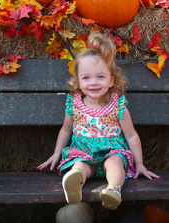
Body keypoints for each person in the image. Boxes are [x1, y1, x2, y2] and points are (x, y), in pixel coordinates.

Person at [37, 30, 159, 210]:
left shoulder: (118, 106)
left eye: (100, 77)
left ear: (111, 80)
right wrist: (57, 153)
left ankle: (113, 190)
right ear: (78, 81)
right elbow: (65, 130)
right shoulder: (74, 104)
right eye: (86, 77)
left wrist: (140, 164)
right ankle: (74, 180)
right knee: (81, 165)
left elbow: (131, 135)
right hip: (83, 152)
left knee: (115, 163)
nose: (93, 82)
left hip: (111, 151)